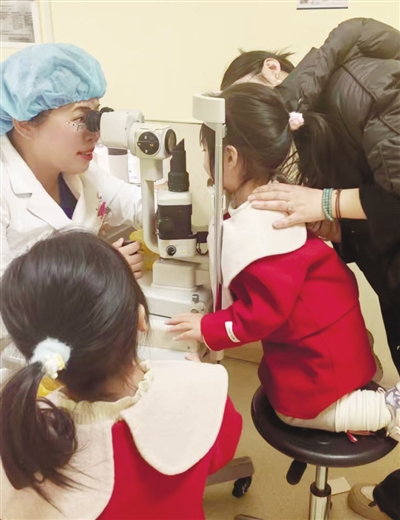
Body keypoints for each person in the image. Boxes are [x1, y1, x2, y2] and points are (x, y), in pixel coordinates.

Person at [167, 83, 400, 442]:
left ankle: (388, 409)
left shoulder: (263, 232)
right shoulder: (276, 194)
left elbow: (260, 315)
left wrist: (208, 328)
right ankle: (360, 377)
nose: (203, 160)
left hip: (320, 357)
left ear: (229, 157)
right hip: (329, 335)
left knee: (292, 412)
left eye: (204, 151)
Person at [0, 230, 242, 520]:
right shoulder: (201, 389)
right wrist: (193, 379)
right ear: (141, 318)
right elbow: (220, 454)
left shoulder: (21, 439)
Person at [220, 18, 400, 376]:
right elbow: (377, 214)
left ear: (272, 69)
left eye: (251, 99)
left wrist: (326, 202)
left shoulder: (362, 87)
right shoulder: (308, 130)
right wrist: (340, 230)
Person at [0, 43, 144, 286]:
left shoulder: (78, 170)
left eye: (96, 116)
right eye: (80, 118)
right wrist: (99, 271)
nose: (95, 134)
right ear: (25, 124)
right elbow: (7, 294)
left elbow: (136, 204)